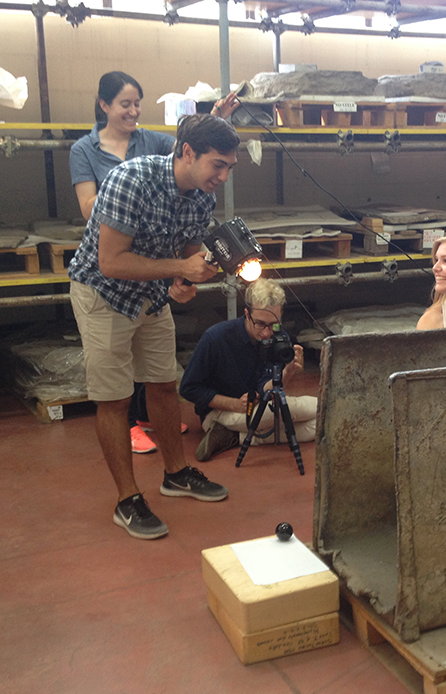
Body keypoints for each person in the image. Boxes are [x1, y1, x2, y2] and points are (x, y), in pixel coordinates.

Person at [68, 113, 241, 540]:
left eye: (229, 168)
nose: (222, 175)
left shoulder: (201, 195)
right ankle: (127, 499)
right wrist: (178, 267)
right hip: (103, 294)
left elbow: (186, 249)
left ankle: (176, 472)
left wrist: (181, 282)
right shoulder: (133, 180)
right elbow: (111, 261)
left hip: (149, 296)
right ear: (187, 152)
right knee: (115, 399)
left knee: (164, 384)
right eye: (216, 164)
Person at [179, 278, 317, 462]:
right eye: (260, 324)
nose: (267, 333)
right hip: (219, 413)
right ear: (246, 313)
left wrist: (287, 372)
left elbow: (267, 388)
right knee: (316, 409)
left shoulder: (279, 336)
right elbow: (188, 388)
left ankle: (236, 437)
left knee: (316, 426)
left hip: (258, 407)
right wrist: (234, 404)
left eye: (273, 324)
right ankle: (228, 430)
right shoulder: (216, 338)